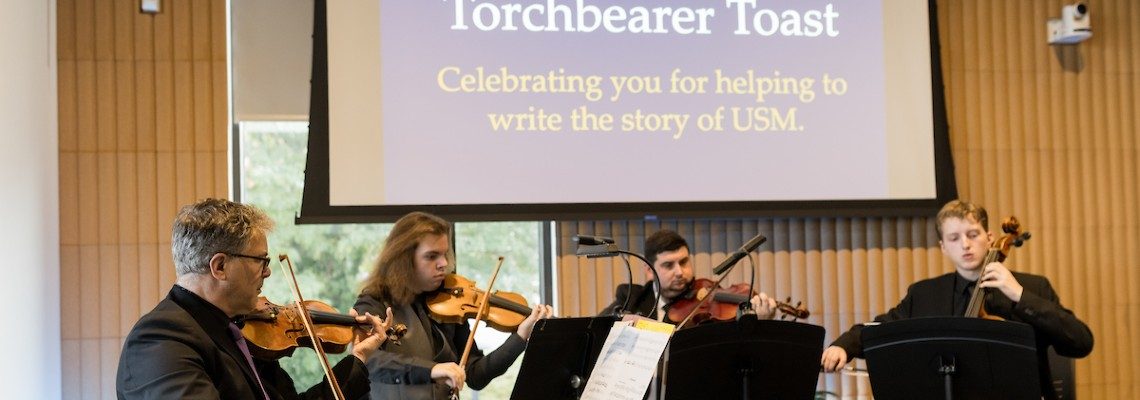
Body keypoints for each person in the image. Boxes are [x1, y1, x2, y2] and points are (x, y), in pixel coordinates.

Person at [116, 198, 394, 400]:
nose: (269, 271)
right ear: (220, 267)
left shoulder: (239, 331)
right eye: (260, 260)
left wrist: (358, 358)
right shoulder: (161, 339)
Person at [820, 199, 1094, 399]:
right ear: (943, 246)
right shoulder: (925, 294)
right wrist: (844, 346)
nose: (965, 244)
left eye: (972, 235)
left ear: (989, 238)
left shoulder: (1031, 287)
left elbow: (1080, 342)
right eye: (954, 238)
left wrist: (1019, 295)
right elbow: (882, 331)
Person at [353, 211, 555, 399]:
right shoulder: (375, 300)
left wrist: (520, 337)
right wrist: (431, 370)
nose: (443, 263)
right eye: (432, 256)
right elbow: (368, 359)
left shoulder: (450, 302)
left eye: (444, 254)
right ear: (404, 259)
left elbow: (476, 375)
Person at [600, 229, 779, 324]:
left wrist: (758, 322)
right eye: (669, 265)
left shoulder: (706, 306)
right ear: (648, 269)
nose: (680, 272)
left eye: (684, 262)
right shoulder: (633, 298)